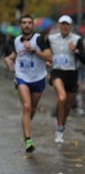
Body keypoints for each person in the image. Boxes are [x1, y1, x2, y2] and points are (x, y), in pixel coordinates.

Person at [3, 14, 53, 152]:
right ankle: (28, 139)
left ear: (33, 25)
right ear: (21, 25)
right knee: (26, 106)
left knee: (32, 109)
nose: (26, 25)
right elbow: (15, 55)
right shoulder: (17, 40)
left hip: (38, 78)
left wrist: (34, 50)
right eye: (24, 22)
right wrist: (8, 60)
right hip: (22, 77)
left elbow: (49, 56)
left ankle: (26, 127)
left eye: (29, 23)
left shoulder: (39, 40)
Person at [47, 15, 85, 143]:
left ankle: (61, 124)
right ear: (59, 25)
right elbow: (45, 52)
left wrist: (75, 50)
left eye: (67, 24)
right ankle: (59, 128)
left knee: (68, 105)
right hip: (57, 72)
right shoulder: (51, 39)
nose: (65, 27)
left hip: (71, 73)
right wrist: (47, 61)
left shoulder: (77, 39)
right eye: (62, 24)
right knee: (62, 98)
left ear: (71, 26)